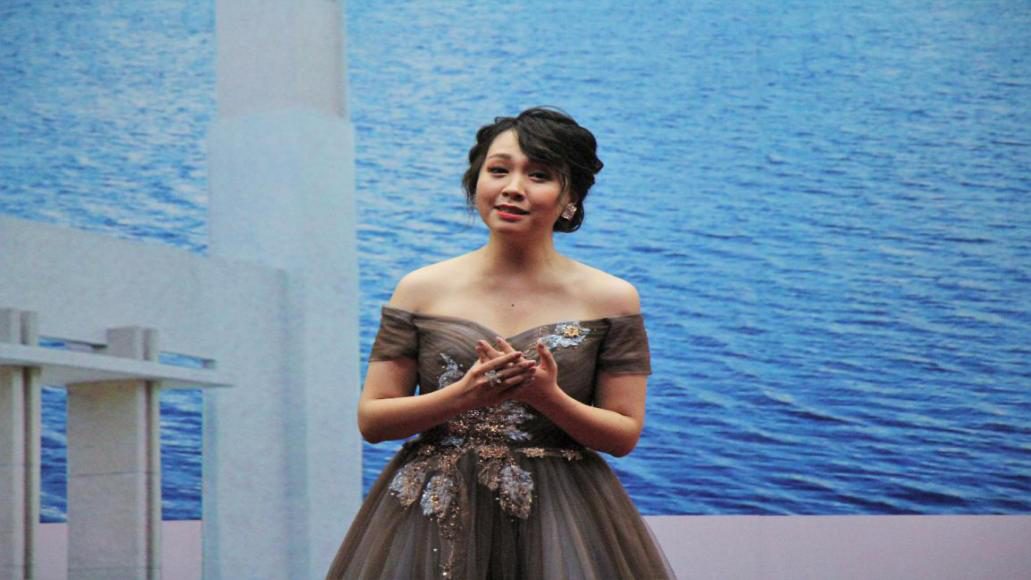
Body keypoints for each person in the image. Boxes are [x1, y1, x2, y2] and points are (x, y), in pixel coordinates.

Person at [326, 107, 675, 579]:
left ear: (571, 196)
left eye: (539, 175)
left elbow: (623, 435)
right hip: (435, 511)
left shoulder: (611, 298)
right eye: (498, 170)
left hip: (563, 515)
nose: (513, 187)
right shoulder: (421, 289)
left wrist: (547, 397)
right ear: (476, 183)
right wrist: (463, 396)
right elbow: (373, 421)